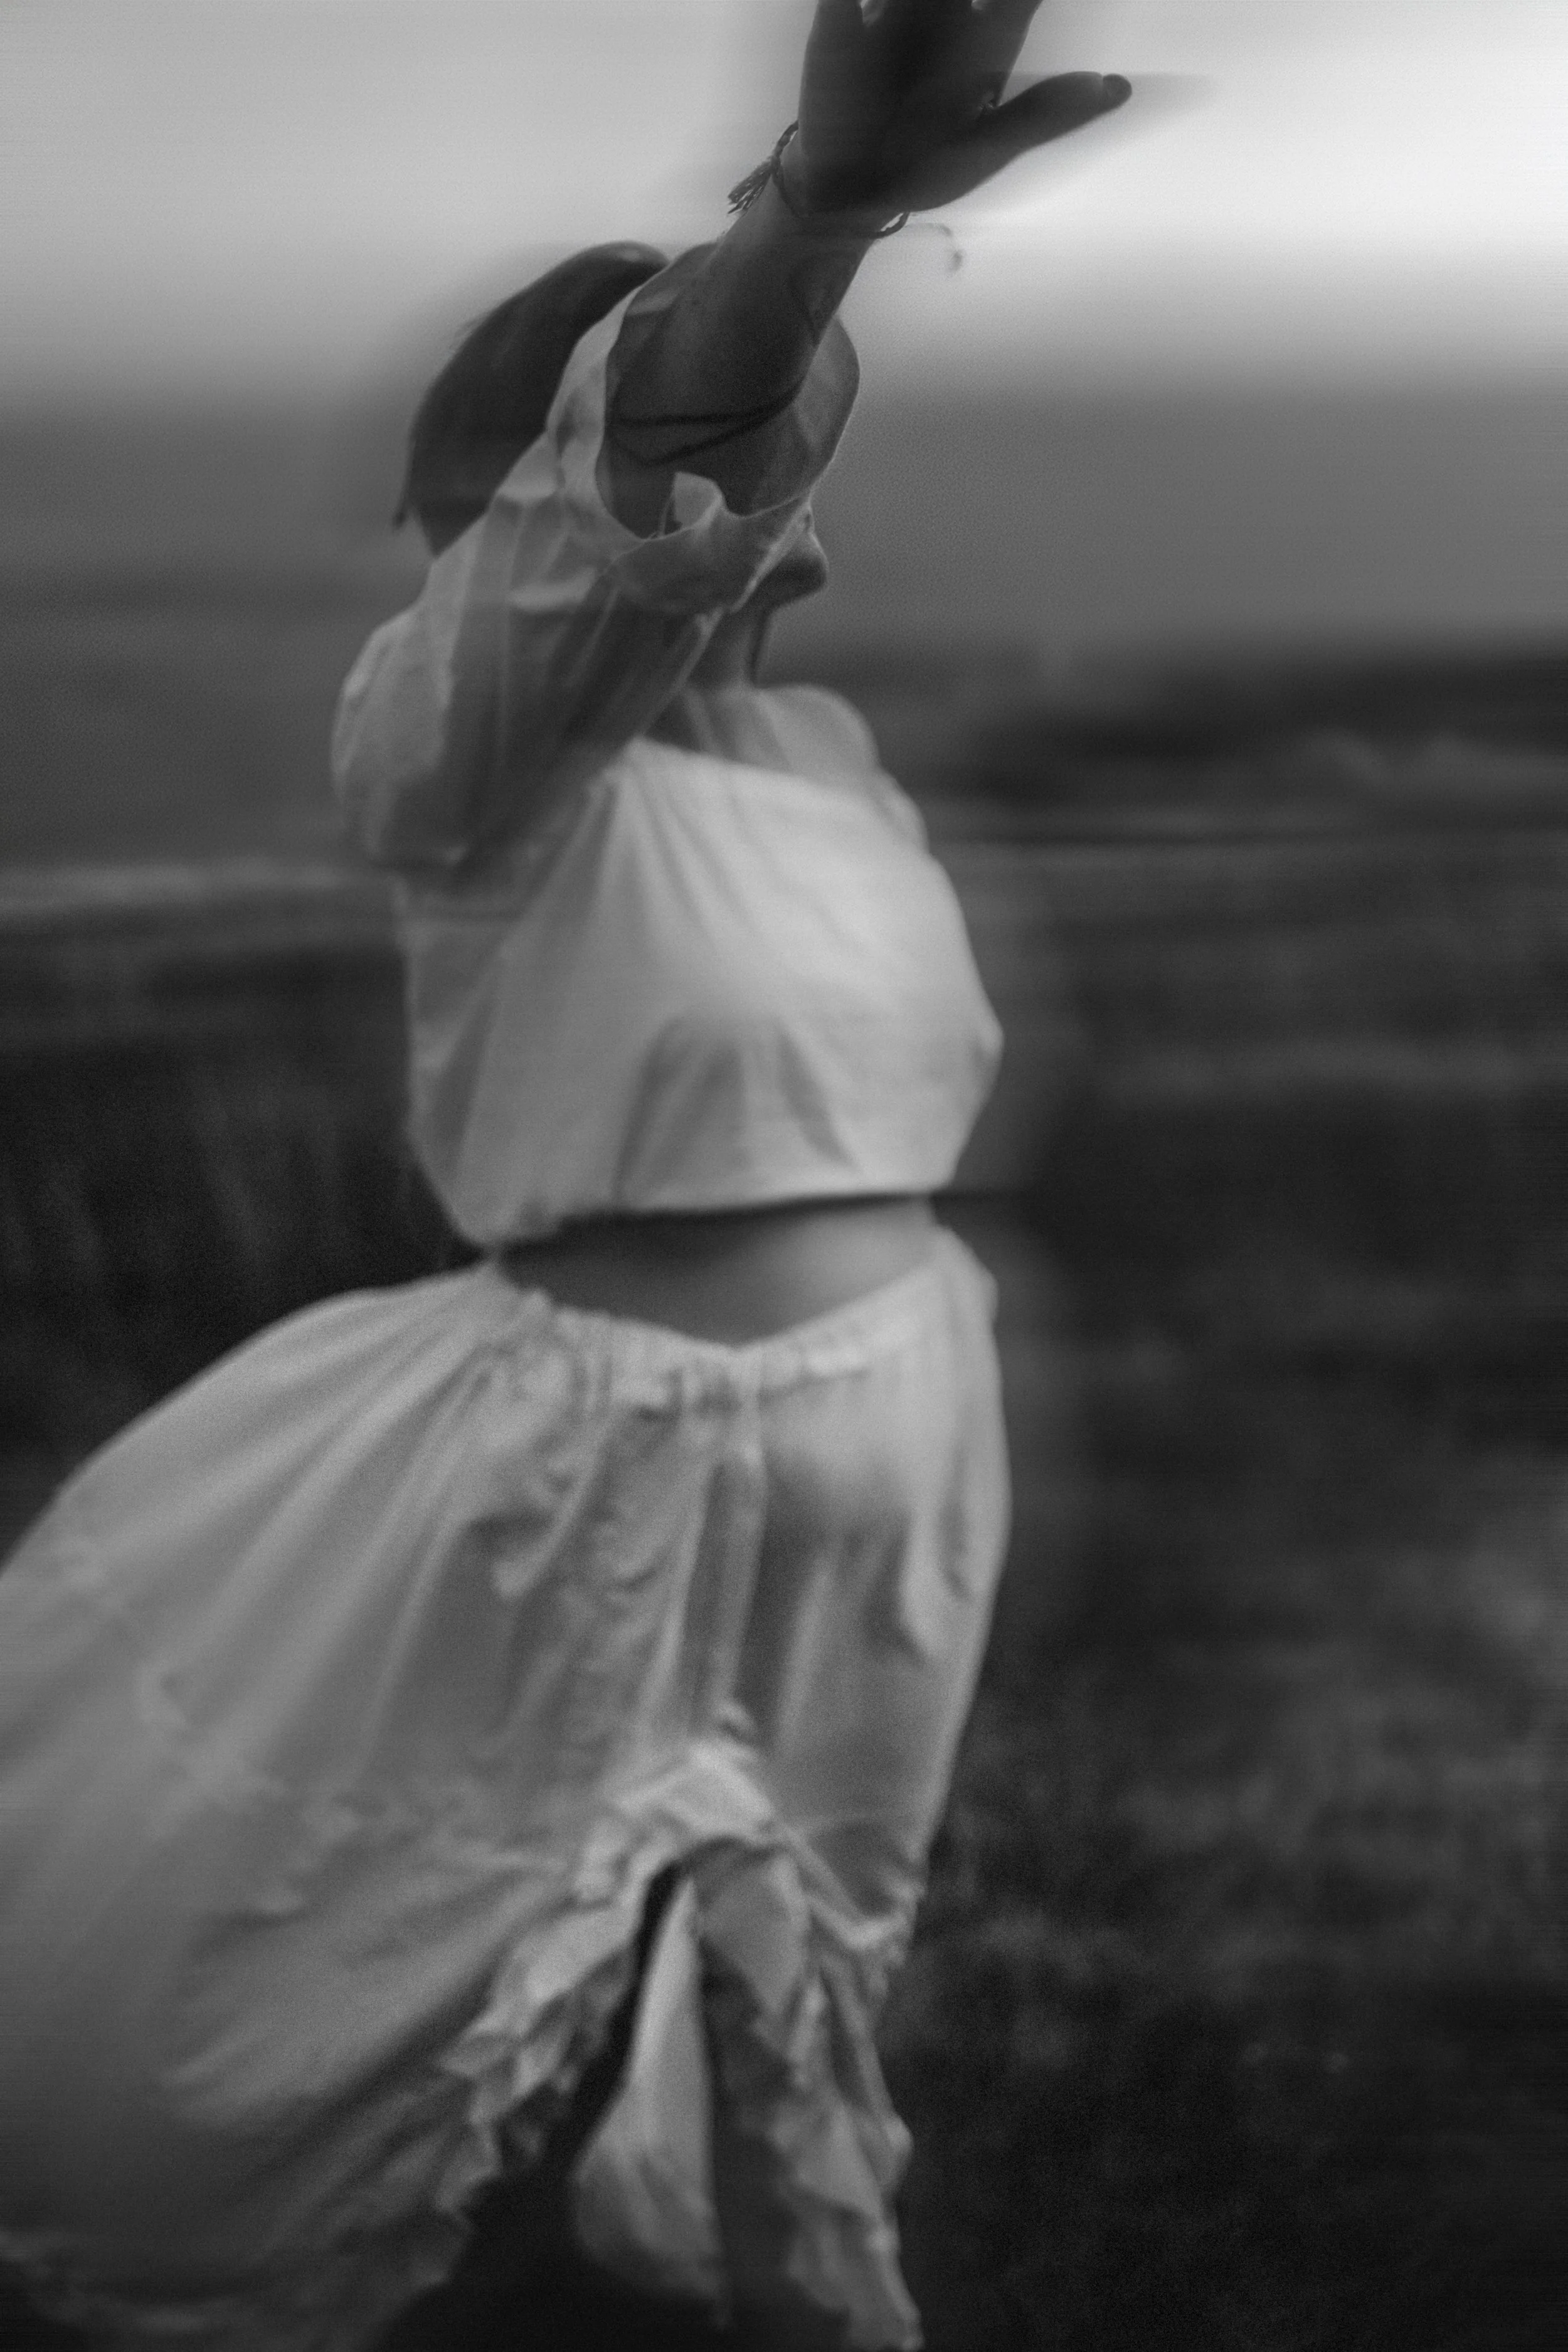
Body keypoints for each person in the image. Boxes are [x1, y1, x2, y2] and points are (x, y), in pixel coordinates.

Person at [0, 6, 1129, 2347]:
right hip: (605, 1470)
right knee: (404, 1971)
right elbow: (659, 451)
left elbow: (699, 467)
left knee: (783, 1973)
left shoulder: (823, 757)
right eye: (505, 527)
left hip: (897, 1432)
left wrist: (784, 279)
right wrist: (807, 225)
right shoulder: (451, 749)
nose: (473, 574)